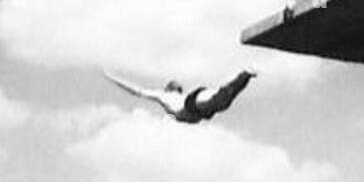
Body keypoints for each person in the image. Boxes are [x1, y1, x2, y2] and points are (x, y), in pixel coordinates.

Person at [102, 68, 256, 124]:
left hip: (196, 108)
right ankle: (242, 77)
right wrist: (112, 78)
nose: (178, 87)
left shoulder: (182, 95)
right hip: (188, 110)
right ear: (169, 88)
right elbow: (135, 90)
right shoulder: (161, 94)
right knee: (218, 100)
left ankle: (245, 76)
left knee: (223, 102)